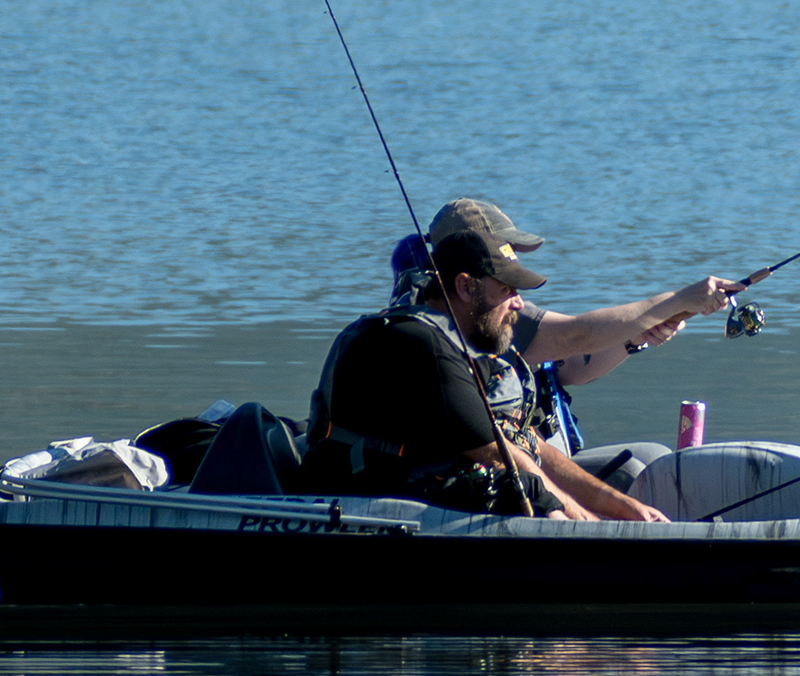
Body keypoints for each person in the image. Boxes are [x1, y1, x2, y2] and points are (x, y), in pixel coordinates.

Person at [309, 227, 671, 519]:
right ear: (466, 286)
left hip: (408, 492)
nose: (518, 303)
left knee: (532, 487)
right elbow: (500, 457)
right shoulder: (422, 343)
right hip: (360, 502)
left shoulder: (458, 345)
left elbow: (529, 445)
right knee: (519, 489)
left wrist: (624, 510)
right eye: (506, 290)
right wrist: (590, 527)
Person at [384, 199, 744, 451]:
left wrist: (634, 339)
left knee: (647, 457)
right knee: (639, 466)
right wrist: (681, 300)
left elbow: (574, 367)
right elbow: (578, 335)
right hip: (528, 471)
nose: (513, 257)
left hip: (542, 458)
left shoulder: (492, 306)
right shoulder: (479, 314)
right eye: (504, 249)